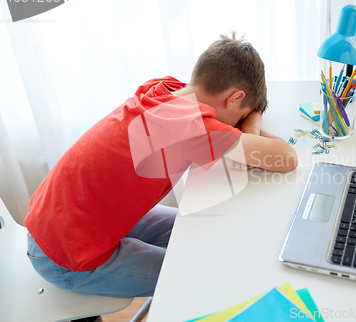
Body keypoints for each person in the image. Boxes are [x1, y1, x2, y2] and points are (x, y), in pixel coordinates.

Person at [24, 33, 297, 301]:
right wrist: (253, 120)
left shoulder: (163, 88)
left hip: (64, 218)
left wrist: (247, 116)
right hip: (63, 256)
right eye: (241, 114)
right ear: (234, 98)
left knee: (195, 228)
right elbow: (286, 158)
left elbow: (237, 142)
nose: (236, 123)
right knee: (198, 276)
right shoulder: (194, 128)